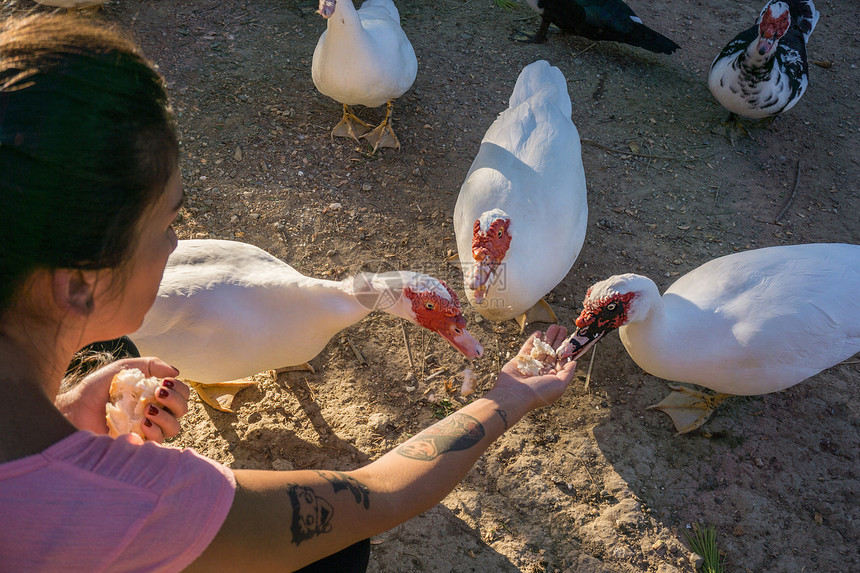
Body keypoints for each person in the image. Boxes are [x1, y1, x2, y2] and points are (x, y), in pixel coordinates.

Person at [0, 13, 578, 572]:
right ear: (79, 284)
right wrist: (505, 399)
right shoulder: (142, 500)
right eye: (166, 228)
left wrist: (65, 420)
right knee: (337, 550)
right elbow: (372, 498)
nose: (179, 248)